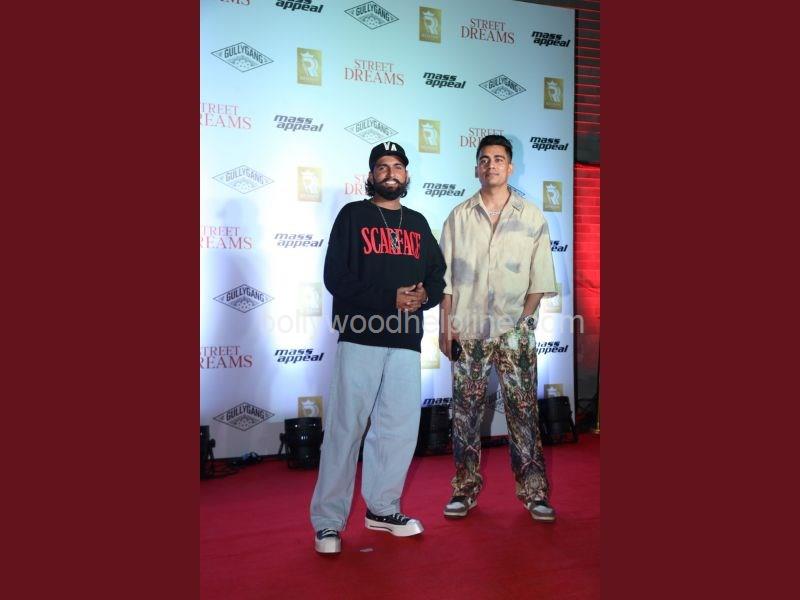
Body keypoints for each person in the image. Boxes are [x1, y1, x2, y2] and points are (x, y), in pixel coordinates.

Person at [310, 141, 446, 553]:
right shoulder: (353, 215)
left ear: (406, 175)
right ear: (371, 175)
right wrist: (390, 298)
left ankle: (383, 509)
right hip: (361, 335)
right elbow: (336, 277)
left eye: (398, 166)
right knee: (345, 430)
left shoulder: (417, 222)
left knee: (398, 429)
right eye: (383, 166)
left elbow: (437, 274)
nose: (391, 172)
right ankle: (328, 523)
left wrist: (424, 296)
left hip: (406, 341)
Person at [438, 134, 558, 523]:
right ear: (477, 167)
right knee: (465, 413)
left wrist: (522, 321)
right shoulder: (458, 217)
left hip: (515, 331)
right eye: (485, 159)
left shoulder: (532, 217)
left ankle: (534, 493)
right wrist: (445, 327)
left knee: (523, 412)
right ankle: (464, 490)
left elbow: (540, 279)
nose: (492, 165)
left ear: (510, 166)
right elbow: (444, 283)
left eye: (499, 159)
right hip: (468, 328)